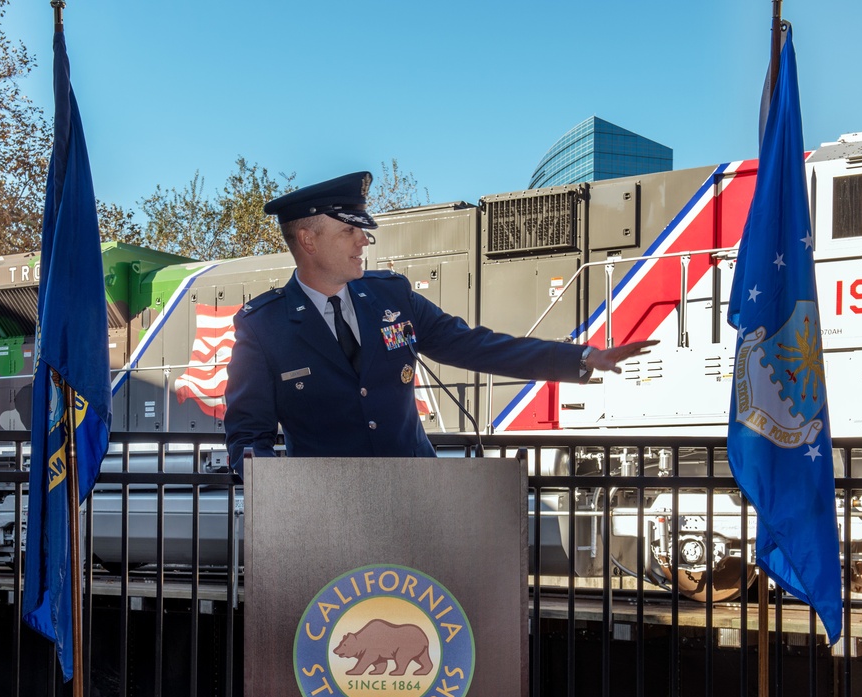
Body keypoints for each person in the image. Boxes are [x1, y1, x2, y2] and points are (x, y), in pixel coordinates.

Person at [224, 171, 656, 478]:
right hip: (327, 513)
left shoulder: (390, 296)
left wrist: (581, 356)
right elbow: (248, 436)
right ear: (308, 240)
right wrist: (273, 490)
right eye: (348, 232)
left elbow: (473, 346)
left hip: (418, 495)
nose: (364, 240)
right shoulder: (264, 327)